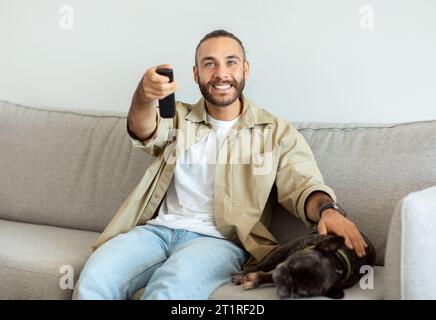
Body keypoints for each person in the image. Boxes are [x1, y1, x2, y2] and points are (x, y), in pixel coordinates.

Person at [74, 29, 367, 300]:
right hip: (155, 232)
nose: (221, 73)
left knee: (170, 288)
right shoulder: (178, 118)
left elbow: (303, 186)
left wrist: (329, 210)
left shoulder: (277, 132)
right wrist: (143, 95)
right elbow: (144, 130)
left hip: (218, 243)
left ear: (245, 69)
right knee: (94, 279)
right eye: (210, 64)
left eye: (231, 62)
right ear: (196, 73)